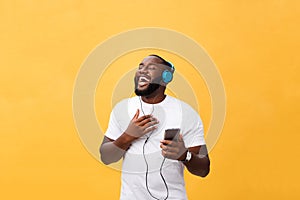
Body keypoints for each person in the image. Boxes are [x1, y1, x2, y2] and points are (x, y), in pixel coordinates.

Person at [100, 55, 210, 200]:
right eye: (140, 67)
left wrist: (184, 155)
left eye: (151, 68)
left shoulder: (186, 113)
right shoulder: (122, 109)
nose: (142, 71)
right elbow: (106, 157)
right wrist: (128, 136)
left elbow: (204, 169)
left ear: (166, 77)